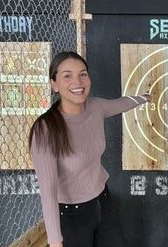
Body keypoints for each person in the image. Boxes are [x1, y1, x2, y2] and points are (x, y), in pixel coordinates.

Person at [29, 51, 151, 247]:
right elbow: (48, 191)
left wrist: (146, 97)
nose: (77, 81)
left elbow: (121, 104)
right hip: (71, 216)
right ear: (54, 84)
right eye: (67, 75)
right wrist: (55, 241)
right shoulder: (45, 129)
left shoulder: (96, 107)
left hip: (103, 202)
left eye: (83, 74)